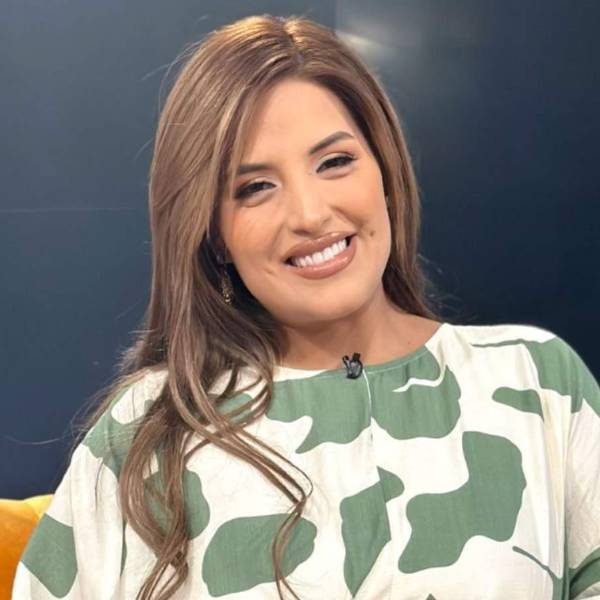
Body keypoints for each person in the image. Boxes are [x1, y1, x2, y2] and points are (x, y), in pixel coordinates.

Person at [12, 13, 600, 600]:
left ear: (385, 173)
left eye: (335, 162)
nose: (311, 214)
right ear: (213, 233)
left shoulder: (537, 380)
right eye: (255, 188)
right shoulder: (145, 430)